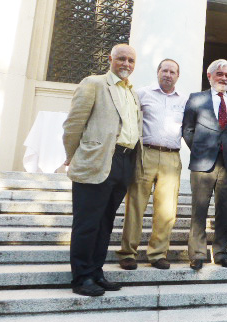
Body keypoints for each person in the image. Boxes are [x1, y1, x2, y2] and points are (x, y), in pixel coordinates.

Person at [63, 44, 141, 296]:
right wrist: (73, 156)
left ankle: (96, 271)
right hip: (96, 160)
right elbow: (74, 124)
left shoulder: (132, 93)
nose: (126, 64)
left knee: (105, 222)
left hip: (123, 162)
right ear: (110, 59)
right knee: (87, 222)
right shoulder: (93, 83)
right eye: (121, 59)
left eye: (130, 60)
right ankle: (81, 277)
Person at [117, 59, 185, 271]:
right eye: (164, 70)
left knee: (167, 209)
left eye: (172, 72)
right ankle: (128, 253)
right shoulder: (142, 94)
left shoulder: (184, 100)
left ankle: (157, 253)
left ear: (177, 76)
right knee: (135, 204)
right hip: (145, 153)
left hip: (171, 157)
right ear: (158, 72)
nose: (168, 74)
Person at [182, 59, 227, 270]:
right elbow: (187, 129)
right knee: (199, 210)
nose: (224, 78)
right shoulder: (196, 99)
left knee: (225, 210)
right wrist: (200, 149)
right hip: (202, 163)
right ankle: (198, 253)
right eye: (220, 74)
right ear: (210, 76)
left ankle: (220, 252)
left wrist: (226, 149)